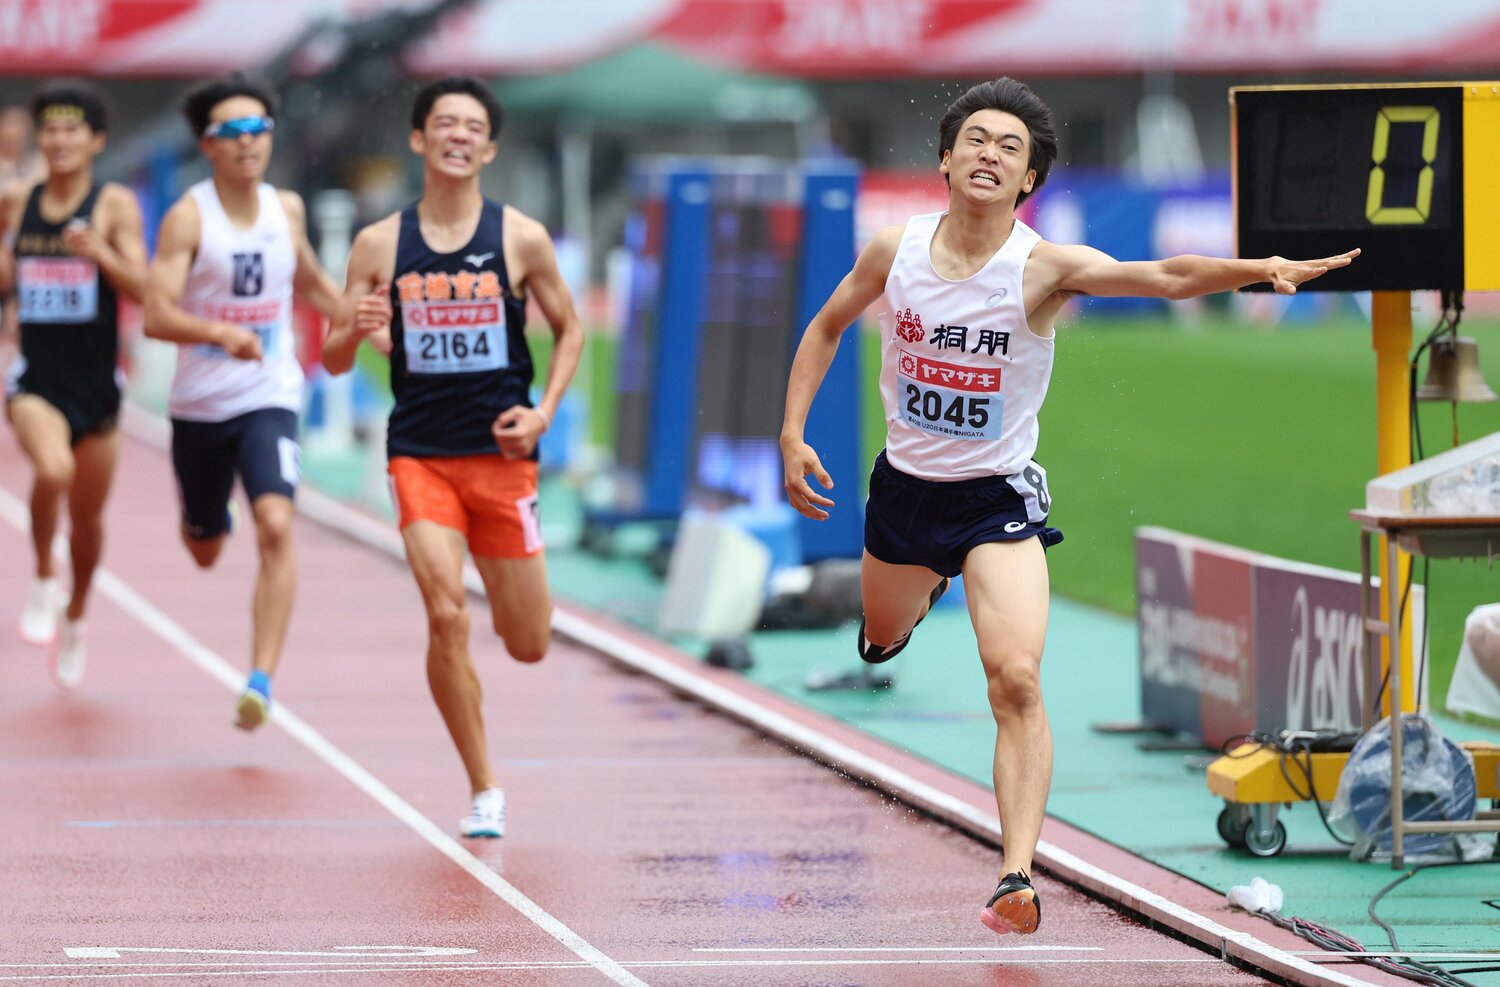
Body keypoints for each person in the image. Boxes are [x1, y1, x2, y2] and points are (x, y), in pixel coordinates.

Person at [779, 77, 1357, 935]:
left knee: (1015, 677)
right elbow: (827, 326)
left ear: (1028, 181)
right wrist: (793, 432)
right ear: (945, 158)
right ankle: (916, 599)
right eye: (976, 139)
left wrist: (1258, 270)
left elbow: (1164, 275)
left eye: (1009, 148)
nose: (989, 154)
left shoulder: (1042, 268)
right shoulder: (894, 251)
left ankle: (1015, 873)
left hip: (996, 501)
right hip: (904, 492)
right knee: (880, 636)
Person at [322, 76, 583, 839]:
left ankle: (513, 624)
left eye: (472, 125)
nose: (458, 134)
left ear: (489, 148)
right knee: (444, 611)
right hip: (421, 454)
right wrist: (355, 325)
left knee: (528, 643)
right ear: (419, 139)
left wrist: (543, 412)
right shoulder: (379, 244)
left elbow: (570, 329)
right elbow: (334, 357)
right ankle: (483, 786)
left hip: (502, 457)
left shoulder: (520, 237)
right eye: (444, 122)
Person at [144, 75, 339, 730]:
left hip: (270, 393)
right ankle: (208, 516)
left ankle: (260, 680)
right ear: (208, 145)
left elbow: (310, 280)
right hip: (201, 405)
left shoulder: (287, 210)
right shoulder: (189, 217)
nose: (249, 141)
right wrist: (219, 332)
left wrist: (370, 323)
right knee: (204, 549)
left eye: (259, 129)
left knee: (277, 524)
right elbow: (155, 313)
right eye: (233, 132)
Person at [1, 84, 147, 686]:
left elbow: (145, 289)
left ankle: (78, 611)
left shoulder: (113, 205)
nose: (59, 140)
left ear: (96, 141)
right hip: (36, 377)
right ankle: (42, 575)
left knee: (87, 524)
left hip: (97, 385)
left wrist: (100, 254)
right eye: (51, 130)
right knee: (53, 469)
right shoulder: (17, 200)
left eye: (71, 130)